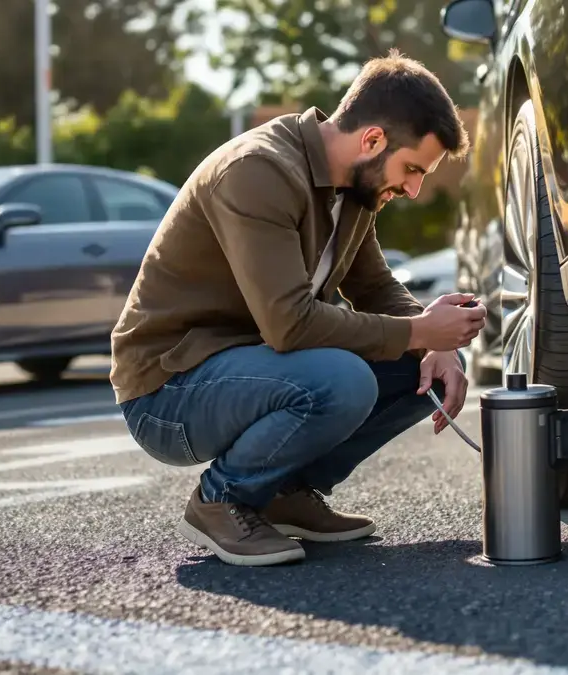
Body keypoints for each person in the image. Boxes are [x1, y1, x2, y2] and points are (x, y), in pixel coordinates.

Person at [110, 50, 486, 567]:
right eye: (413, 169)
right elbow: (290, 325)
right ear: (372, 140)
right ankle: (223, 500)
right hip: (168, 391)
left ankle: (284, 490)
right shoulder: (258, 171)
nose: (416, 190)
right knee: (343, 379)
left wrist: (432, 341)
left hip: (255, 370)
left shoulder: (353, 188)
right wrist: (420, 330)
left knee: (427, 368)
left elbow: (375, 288)